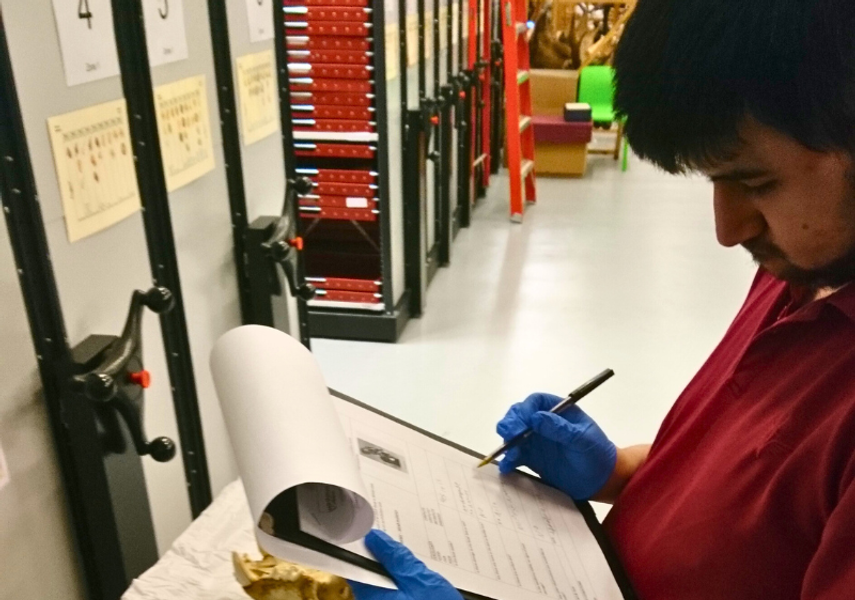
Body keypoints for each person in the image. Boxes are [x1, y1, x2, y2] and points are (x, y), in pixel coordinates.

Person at [351, 0, 855, 597]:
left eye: (755, 183)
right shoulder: (803, 266)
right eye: (714, 182)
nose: (727, 229)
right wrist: (617, 471)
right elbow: (761, 500)